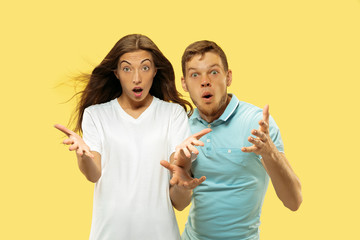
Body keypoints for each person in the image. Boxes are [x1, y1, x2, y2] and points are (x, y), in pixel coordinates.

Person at [54, 34, 210, 240]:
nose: (137, 78)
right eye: (127, 68)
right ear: (116, 73)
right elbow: (93, 174)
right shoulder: (97, 114)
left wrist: (183, 169)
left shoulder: (172, 114)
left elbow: (180, 203)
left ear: (155, 71)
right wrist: (83, 156)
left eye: (145, 68)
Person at [172, 40, 303, 240]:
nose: (205, 81)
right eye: (195, 74)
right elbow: (180, 205)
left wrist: (270, 153)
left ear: (228, 77)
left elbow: (293, 201)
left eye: (213, 72)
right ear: (184, 84)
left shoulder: (256, 123)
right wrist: (181, 172)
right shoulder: (183, 125)